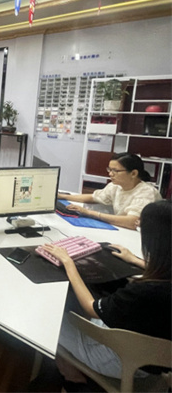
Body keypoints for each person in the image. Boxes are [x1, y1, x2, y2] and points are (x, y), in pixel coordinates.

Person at [41, 200, 171, 384]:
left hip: (126, 362)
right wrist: (136, 260)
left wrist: (69, 263)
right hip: (157, 358)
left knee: (47, 319)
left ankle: (73, 379)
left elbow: (91, 308)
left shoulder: (144, 292)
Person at [58, 152, 161, 229]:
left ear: (133, 173)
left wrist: (89, 213)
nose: (110, 174)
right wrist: (62, 196)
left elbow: (131, 222)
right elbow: (93, 197)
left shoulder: (146, 192)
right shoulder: (116, 186)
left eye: (115, 171)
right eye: (109, 169)